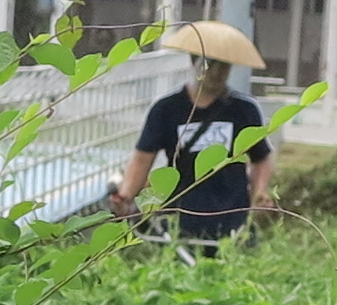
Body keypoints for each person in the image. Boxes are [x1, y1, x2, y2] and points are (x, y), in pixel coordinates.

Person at [112, 21, 268, 245]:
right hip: (178, 218)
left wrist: (259, 195)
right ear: (194, 62)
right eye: (209, 64)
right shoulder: (166, 109)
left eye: (223, 66)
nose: (215, 73)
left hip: (232, 217)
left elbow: (261, 159)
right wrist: (126, 196)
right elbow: (142, 158)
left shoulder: (244, 110)